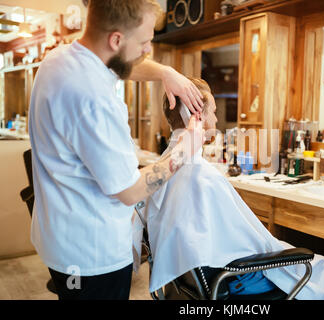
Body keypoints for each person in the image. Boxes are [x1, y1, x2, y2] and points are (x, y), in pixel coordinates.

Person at [28, 0, 204, 300]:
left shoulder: (58, 59)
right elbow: (130, 191)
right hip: (91, 256)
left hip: (59, 238)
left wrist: (165, 73)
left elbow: (120, 65)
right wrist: (184, 150)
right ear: (116, 39)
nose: (148, 50)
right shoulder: (94, 99)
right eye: (145, 42)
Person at [133, 78, 324, 299]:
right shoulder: (202, 176)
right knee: (322, 265)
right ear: (198, 116)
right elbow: (253, 245)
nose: (217, 118)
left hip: (187, 283)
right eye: (214, 111)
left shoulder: (161, 170)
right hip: (229, 278)